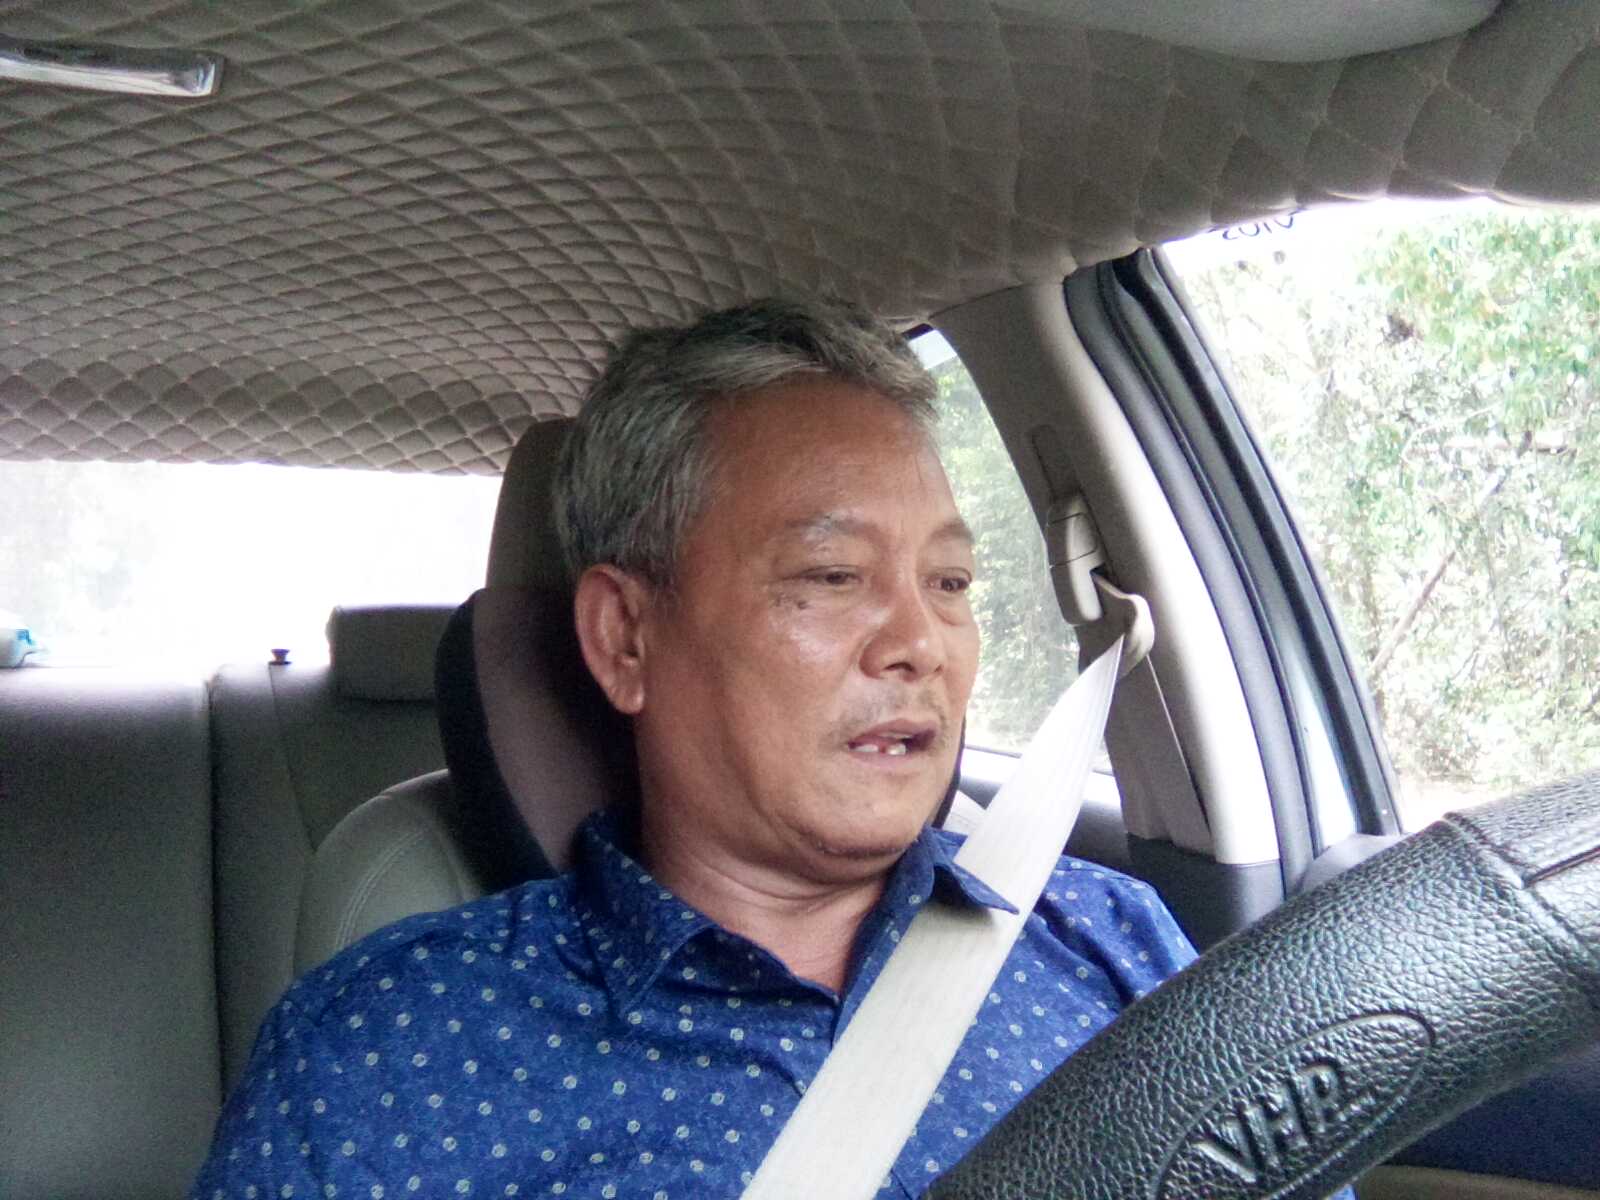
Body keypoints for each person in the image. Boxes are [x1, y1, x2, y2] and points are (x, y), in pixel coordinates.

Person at [191, 297, 1197, 1199]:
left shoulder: (1108, 940)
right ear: (626, 639)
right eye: (832, 575)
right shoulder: (388, 1057)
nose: (922, 645)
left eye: (949, 584)